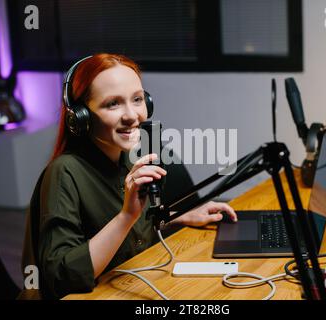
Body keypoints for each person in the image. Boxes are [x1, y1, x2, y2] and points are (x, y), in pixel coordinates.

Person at [20, 53, 237, 300]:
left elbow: (136, 234)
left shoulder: (131, 155)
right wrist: (126, 216)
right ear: (79, 116)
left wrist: (180, 217)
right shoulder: (64, 173)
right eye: (113, 104)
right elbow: (61, 278)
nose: (132, 115)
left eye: (137, 99)